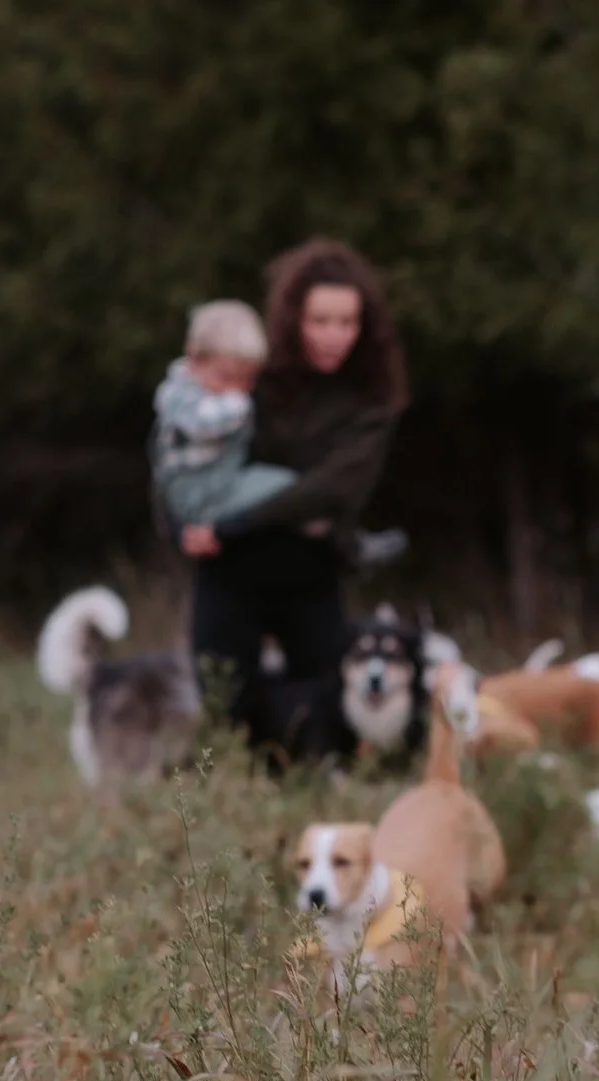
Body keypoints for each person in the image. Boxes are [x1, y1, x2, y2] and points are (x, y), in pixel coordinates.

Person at [175, 240, 407, 753]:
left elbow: (329, 490)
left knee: (323, 725)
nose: (334, 335)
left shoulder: (371, 400)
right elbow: (183, 449)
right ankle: (220, 824)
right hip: (229, 574)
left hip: (311, 577)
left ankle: (318, 829)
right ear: (291, 318)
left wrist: (234, 521)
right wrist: (179, 525)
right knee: (221, 721)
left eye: (347, 322)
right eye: (320, 320)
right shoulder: (249, 375)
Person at [149, 300, 297, 530]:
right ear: (194, 361)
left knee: (293, 486)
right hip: (202, 497)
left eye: (247, 380)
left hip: (222, 483)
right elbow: (201, 423)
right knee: (290, 485)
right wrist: (240, 403)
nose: (237, 389)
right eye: (226, 378)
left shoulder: (195, 385)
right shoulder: (186, 401)